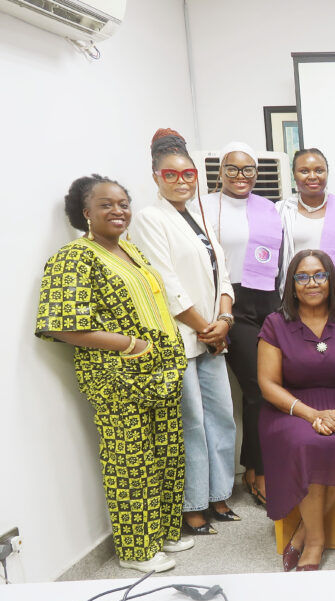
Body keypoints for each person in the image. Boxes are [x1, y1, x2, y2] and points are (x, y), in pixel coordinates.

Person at [37, 175, 190, 573]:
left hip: (159, 371)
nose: (118, 211)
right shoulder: (74, 257)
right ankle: (137, 550)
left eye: (123, 203)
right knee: (130, 461)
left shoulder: (130, 250)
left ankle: (163, 532)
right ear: (85, 212)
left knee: (166, 453)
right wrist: (130, 345)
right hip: (116, 377)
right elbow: (61, 325)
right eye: (106, 204)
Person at [132, 129, 238, 535]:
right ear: (156, 177)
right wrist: (205, 327)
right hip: (182, 336)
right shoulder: (150, 218)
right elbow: (165, 282)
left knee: (222, 418)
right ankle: (193, 505)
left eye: (188, 174)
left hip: (213, 335)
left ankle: (219, 495)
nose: (181, 181)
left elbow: (222, 273)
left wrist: (224, 320)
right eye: (171, 175)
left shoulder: (198, 215)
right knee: (191, 423)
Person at [257, 250, 335, 572]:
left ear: (331, 280)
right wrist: (311, 415)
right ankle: (317, 542)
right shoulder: (276, 324)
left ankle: (304, 533)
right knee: (308, 442)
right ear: (292, 285)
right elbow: (268, 384)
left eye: (320, 275)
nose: (312, 283)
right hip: (289, 407)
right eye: (303, 277)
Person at [199, 141, 285, 508]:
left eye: (248, 169)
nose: (241, 176)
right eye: (232, 169)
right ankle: (259, 472)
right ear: (220, 171)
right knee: (258, 387)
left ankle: (254, 465)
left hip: (268, 299)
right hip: (231, 301)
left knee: (270, 386)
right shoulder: (203, 205)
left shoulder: (269, 208)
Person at [277, 148, 335, 302]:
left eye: (319, 170)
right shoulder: (281, 210)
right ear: (294, 175)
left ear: (327, 173)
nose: (312, 176)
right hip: (297, 297)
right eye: (304, 171)